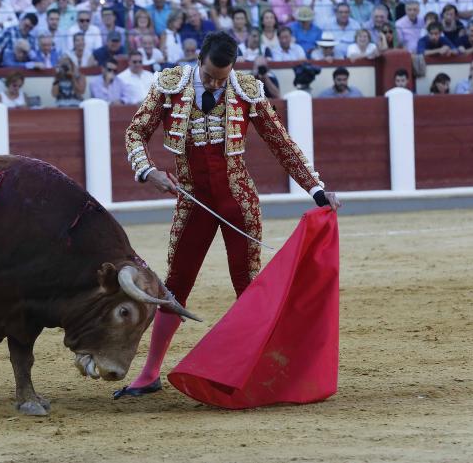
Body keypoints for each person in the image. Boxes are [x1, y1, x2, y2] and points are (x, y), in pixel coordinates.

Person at [118, 31, 339, 398]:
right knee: (175, 284)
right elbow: (135, 132)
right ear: (198, 58)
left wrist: (316, 190)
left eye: (222, 77)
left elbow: (282, 144)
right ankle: (150, 372)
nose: (215, 83)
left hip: (238, 201)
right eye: (209, 75)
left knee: (248, 286)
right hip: (192, 201)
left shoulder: (248, 89)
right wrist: (148, 170)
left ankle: (258, 369)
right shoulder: (170, 84)